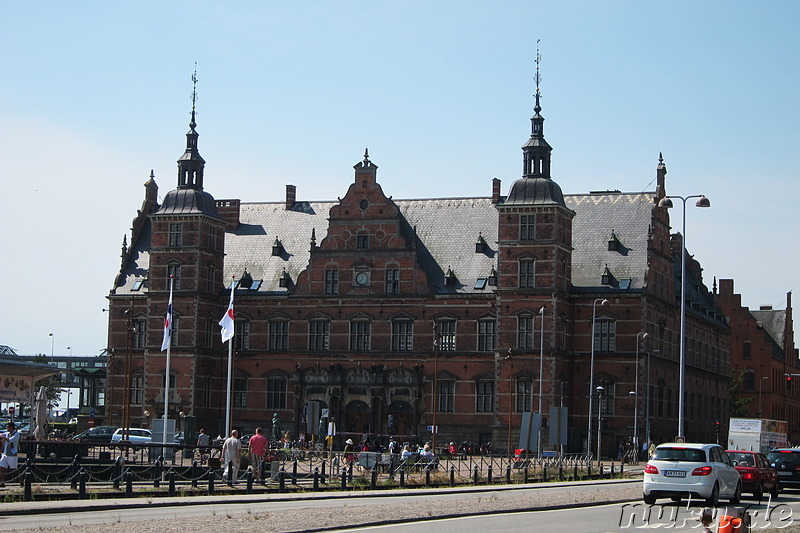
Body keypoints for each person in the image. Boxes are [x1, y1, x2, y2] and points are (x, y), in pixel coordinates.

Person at [0, 422, 20, 488]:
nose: (7, 428)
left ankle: (21, 480)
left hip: (12, 455)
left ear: (12, 427)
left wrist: (4, 437)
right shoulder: (7, 434)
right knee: (2, 468)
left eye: (8, 427)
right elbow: (1, 435)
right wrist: (2, 436)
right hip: (5, 454)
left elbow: (10, 440)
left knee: (14, 469)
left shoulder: (16, 434)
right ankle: (2, 482)